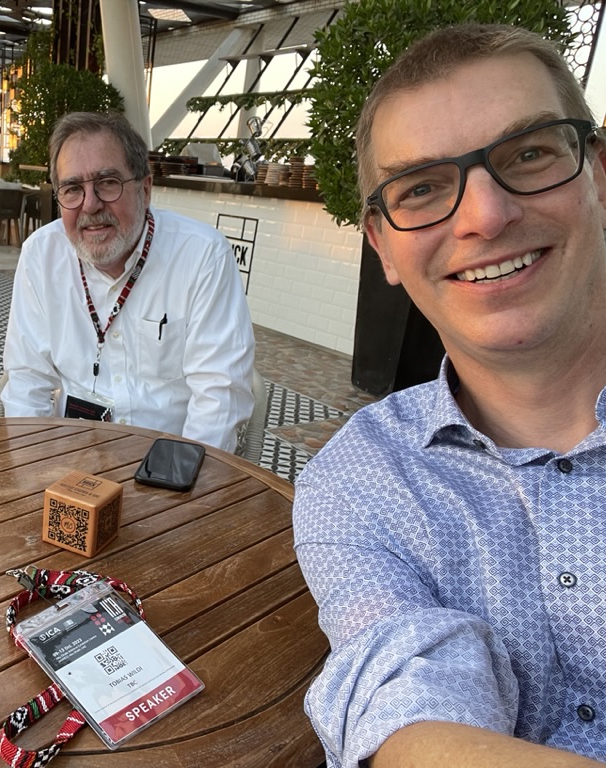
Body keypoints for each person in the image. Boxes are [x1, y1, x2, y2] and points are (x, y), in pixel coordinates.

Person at [292, 23, 606, 768]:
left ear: (598, 172)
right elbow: (408, 688)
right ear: (384, 248)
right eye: (424, 188)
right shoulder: (359, 481)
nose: (485, 216)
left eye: (528, 154)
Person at [1, 111, 254, 452]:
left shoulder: (202, 257)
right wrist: (38, 473)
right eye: (73, 188)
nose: (90, 205)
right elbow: (26, 382)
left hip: (167, 468)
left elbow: (219, 398)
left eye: (108, 183)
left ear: (145, 189)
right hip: (71, 462)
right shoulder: (41, 256)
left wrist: (176, 488)